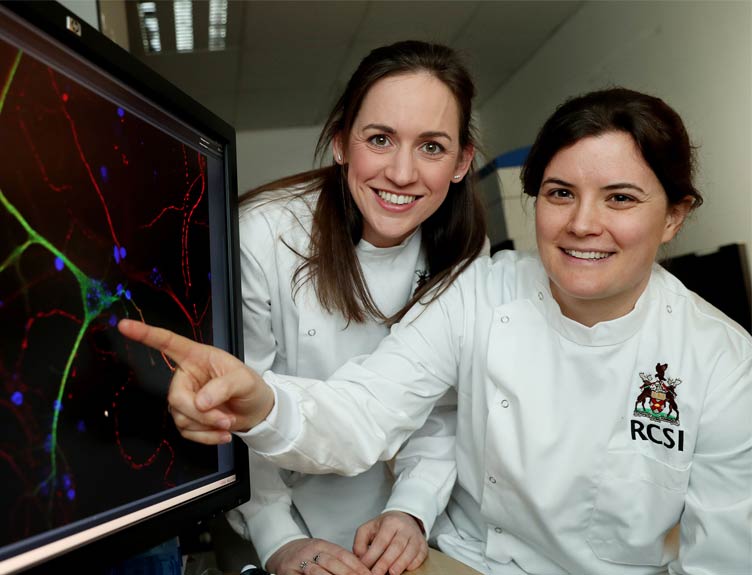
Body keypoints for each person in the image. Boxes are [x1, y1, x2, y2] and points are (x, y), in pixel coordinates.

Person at [119, 87, 752, 575]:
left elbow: (719, 558)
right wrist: (261, 402)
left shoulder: (723, 363)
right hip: (460, 562)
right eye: (560, 193)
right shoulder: (479, 289)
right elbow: (369, 406)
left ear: (674, 216)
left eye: (620, 198)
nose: (583, 224)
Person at [216, 40, 487, 575]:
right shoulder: (261, 234)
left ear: (461, 163)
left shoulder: (462, 252)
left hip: (395, 525)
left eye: (432, 147)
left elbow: (442, 409)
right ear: (341, 143)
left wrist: (412, 509)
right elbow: (236, 407)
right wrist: (279, 542)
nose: (403, 173)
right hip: (269, 507)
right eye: (380, 139)